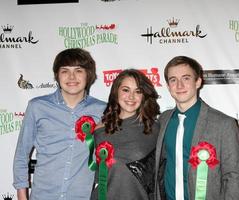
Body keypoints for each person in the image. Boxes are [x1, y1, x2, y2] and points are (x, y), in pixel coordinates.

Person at [13, 48, 106, 200]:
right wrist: (22, 197)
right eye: (65, 71)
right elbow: (21, 155)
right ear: (57, 75)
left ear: (88, 74)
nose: (71, 77)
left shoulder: (103, 110)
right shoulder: (37, 107)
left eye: (78, 70)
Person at [154, 56, 239, 200]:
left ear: (198, 82)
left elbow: (234, 176)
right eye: (173, 80)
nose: (179, 85)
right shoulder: (163, 120)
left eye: (186, 78)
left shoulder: (224, 124)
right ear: (168, 86)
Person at [90, 69, 160, 200]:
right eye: (126, 90)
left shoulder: (155, 129)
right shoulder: (100, 129)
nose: (131, 97)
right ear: (116, 93)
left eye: (138, 91)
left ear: (143, 95)